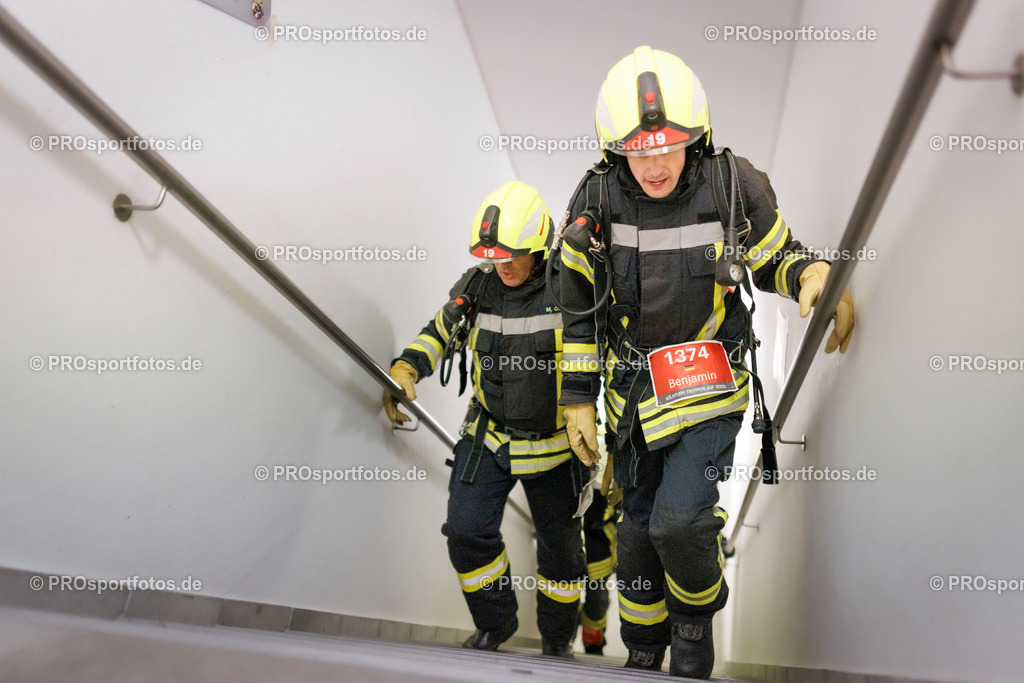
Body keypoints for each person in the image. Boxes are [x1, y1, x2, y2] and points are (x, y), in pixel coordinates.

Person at [555, 46, 855, 678]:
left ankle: (693, 626)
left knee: (679, 520)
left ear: (697, 135)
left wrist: (810, 275)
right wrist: (578, 395)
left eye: (668, 146)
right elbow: (577, 299)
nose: (656, 164)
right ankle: (643, 647)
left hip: (707, 382)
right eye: (639, 151)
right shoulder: (595, 198)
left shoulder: (730, 182)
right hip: (631, 391)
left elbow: (777, 255)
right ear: (615, 149)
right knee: (635, 528)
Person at [383, 181, 587, 658]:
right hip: (489, 436)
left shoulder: (570, 289)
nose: (503, 264)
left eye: (513, 254)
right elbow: (440, 330)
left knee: (563, 555)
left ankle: (557, 640)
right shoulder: (477, 286)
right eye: (494, 254)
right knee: (465, 531)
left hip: (557, 444)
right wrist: (408, 367)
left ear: (539, 244)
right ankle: (495, 624)